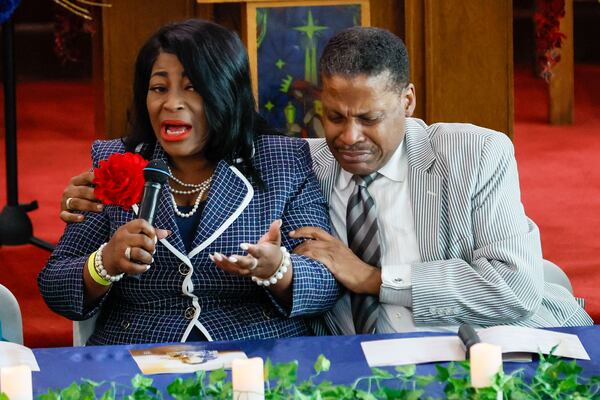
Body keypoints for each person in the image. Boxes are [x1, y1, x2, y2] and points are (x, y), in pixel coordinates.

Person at [60, 26, 593, 335]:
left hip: (489, 350)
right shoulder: (301, 160)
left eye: (371, 118)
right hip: (352, 372)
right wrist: (99, 206)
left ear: (407, 102)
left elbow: (516, 289)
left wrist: (372, 279)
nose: (350, 137)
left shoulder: (477, 154)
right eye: (335, 117)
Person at [39, 19, 340, 345]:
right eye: (159, 88)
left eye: (193, 87)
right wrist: (105, 262)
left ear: (225, 91)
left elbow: (325, 285)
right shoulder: (115, 162)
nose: (172, 103)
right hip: (139, 356)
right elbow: (57, 289)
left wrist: (278, 269)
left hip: (257, 352)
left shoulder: (282, 161)